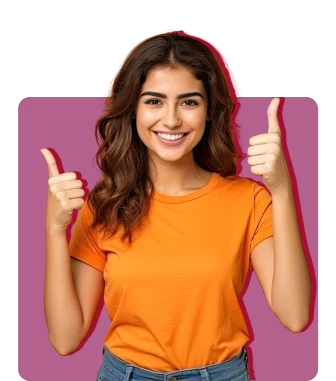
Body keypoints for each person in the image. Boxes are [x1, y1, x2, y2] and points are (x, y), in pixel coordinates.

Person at [41, 29, 312, 381]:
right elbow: (65, 339)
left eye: (189, 102)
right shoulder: (106, 205)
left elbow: (295, 315)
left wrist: (282, 189)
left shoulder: (249, 201)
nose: (171, 120)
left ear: (210, 110)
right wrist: (54, 228)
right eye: (154, 101)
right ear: (133, 109)